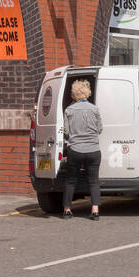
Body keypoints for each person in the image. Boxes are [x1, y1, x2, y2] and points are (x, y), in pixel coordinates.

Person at [62, 78, 103, 219]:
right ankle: (95, 210)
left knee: (71, 180)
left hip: (76, 150)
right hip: (93, 150)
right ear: (87, 92)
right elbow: (100, 129)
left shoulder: (69, 110)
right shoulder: (95, 109)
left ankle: (67, 209)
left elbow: (66, 132)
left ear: (74, 94)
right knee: (94, 180)